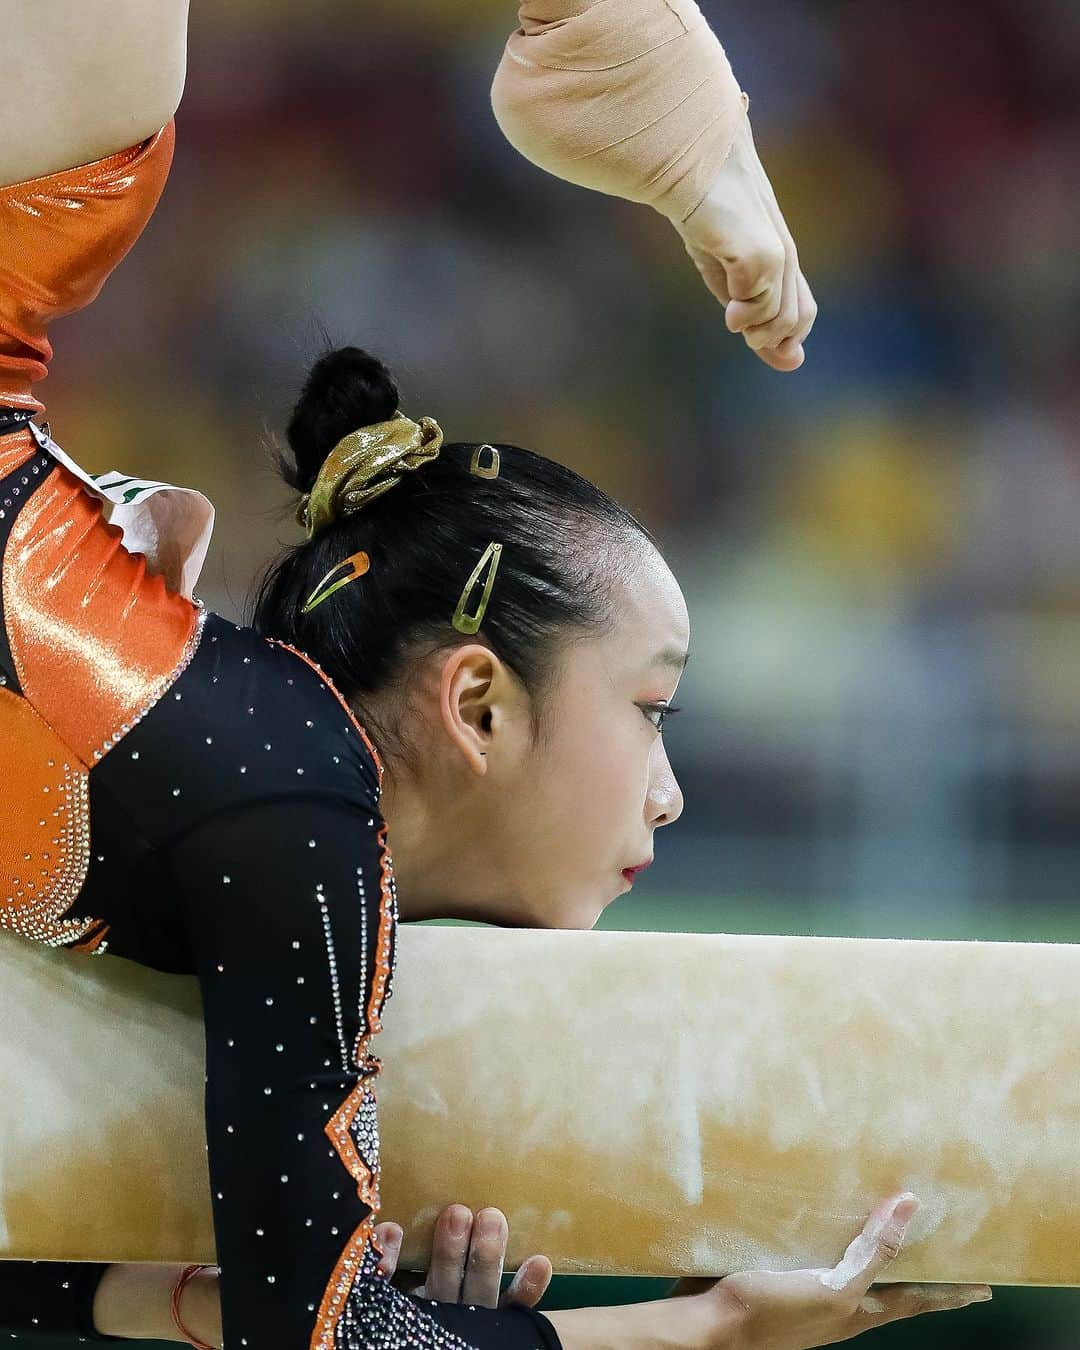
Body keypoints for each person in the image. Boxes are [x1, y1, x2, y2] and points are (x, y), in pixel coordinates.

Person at [0, 4, 989, 1349]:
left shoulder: (241, 818)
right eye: (652, 711)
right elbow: (327, 1341)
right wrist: (713, 1330)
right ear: (475, 703)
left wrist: (180, 1296)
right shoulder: (296, 803)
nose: (674, 795)